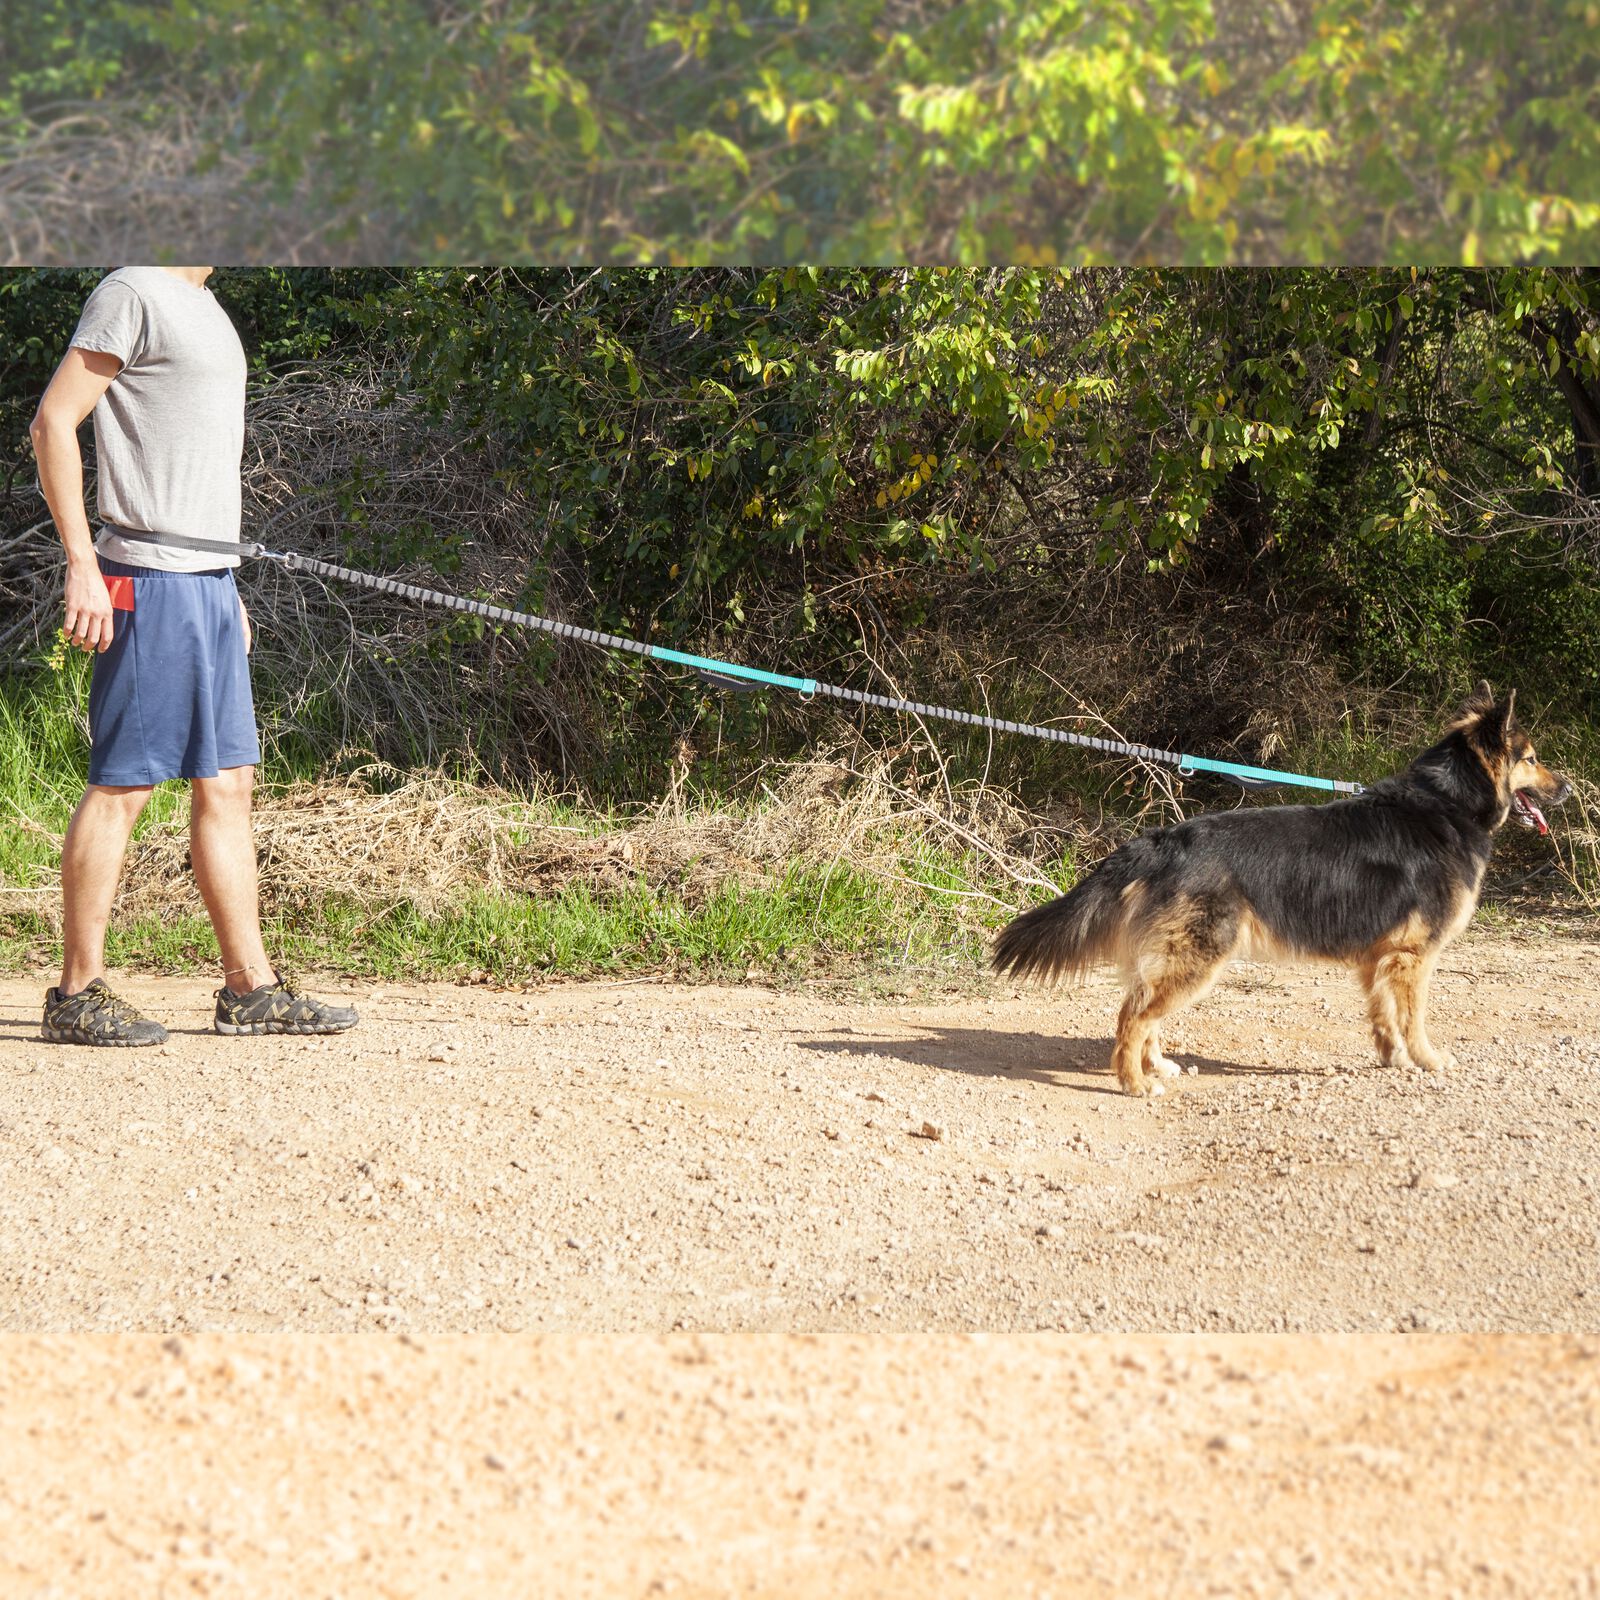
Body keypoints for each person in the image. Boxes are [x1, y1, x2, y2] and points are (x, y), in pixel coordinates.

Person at [30, 265, 357, 1045]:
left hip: (207, 581)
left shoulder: (205, 305)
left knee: (229, 781)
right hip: (144, 579)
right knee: (126, 783)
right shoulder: (133, 291)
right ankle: (76, 993)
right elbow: (52, 422)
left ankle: (250, 989)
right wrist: (83, 563)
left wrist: (224, 582)